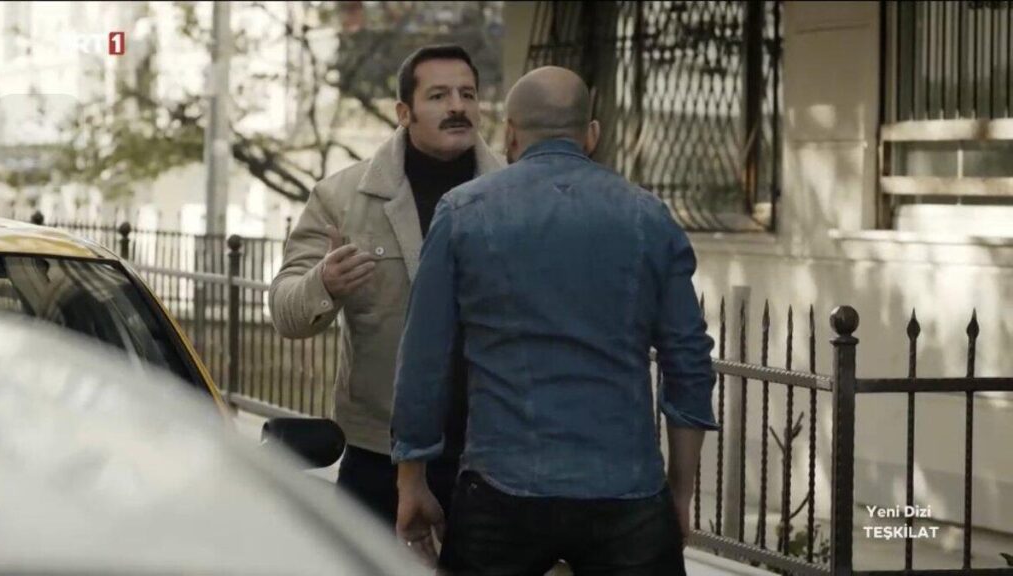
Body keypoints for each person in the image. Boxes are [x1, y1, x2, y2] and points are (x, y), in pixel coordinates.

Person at [391, 66, 719, 575]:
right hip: (627, 489)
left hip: (500, 486)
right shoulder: (648, 217)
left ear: (510, 134)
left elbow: (423, 358)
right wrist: (679, 491)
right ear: (592, 134)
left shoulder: (462, 213)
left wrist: (411, 480)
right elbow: (690, 362)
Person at [268, 44, 503, 527]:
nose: (457, 106)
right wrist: (323, 282)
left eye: (467, 94)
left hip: (493, 448)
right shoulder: (342, 197)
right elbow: (286, 312)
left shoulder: (513, 194)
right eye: (438, 95)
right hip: (380, 449)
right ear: (404, 112)